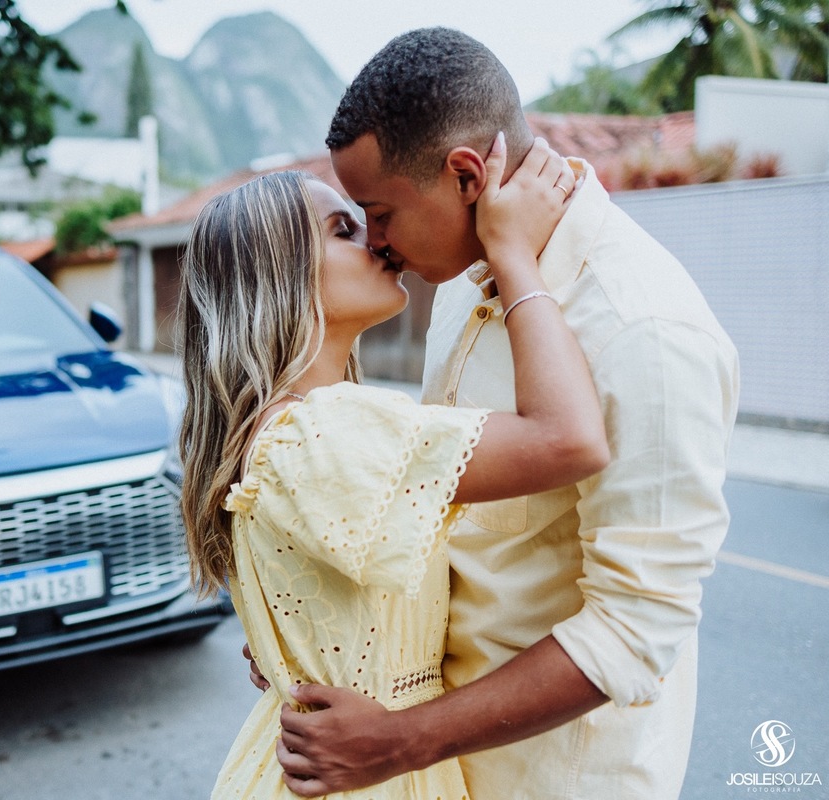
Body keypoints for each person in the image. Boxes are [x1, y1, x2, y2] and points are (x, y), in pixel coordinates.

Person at [258, 27, 741, 800]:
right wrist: (312, 634)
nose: (377, 243)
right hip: (423, 768)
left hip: (551, 777)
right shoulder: (457, 283)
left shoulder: (642, 328)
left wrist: (398, 743)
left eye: (379, 213)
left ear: (465, 174)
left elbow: (635, 629)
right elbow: (429, 523)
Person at [179, 132, 610, 799]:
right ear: (280, 273)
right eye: (343, 229)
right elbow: (568, 439)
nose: (378, 241)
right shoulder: (325, 432)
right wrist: (515, 254)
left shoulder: (291, 430)